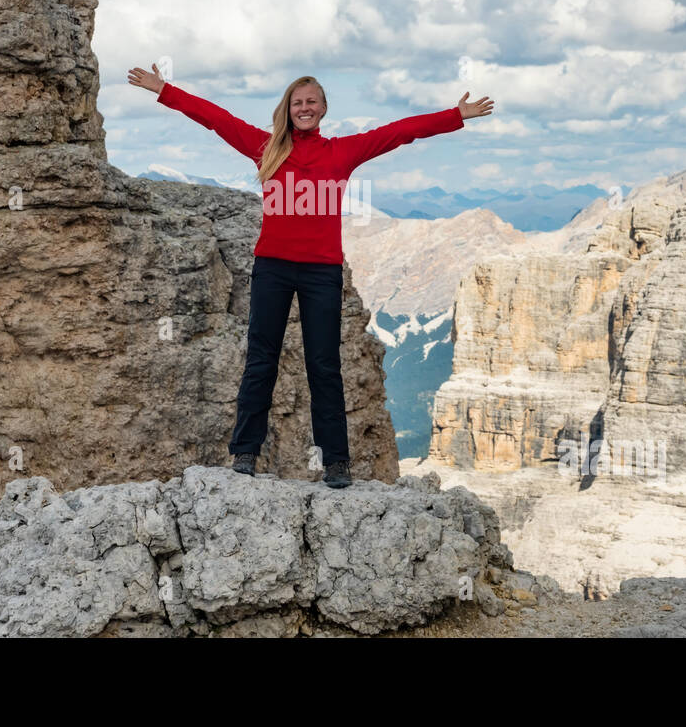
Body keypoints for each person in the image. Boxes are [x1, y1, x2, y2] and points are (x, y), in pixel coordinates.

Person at [128, 63, 494, 488]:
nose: (304, 108)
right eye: (297, 102)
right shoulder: (266, 147)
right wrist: (163, 89)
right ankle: (245, 453)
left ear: (322, 109)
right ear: (288, 108)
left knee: (324, 365)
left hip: (322, 271)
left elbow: (398, 132)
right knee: (260, 361)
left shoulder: (342, 151)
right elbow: (215, 119)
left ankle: (336, 462)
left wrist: (455, 116)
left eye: (311, 102)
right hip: (273, 268)